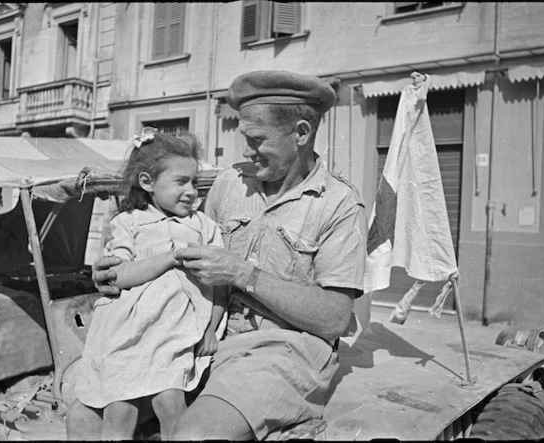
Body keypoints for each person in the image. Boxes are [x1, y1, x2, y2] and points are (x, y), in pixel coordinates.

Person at [92, 70, 367, 440]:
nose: (245, 151)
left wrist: (244, 274)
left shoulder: (339, 204)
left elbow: (334, 319)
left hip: (276, 350)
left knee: (191, 436)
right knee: (87, 419)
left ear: (301, 133)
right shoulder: (229, 183)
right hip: (196, 335)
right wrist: (113, 269)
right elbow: (169, 236)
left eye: (257, 139)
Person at [66, 127, 227, 440]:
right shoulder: (128, 223)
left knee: (171, 404)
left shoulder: (204, 227)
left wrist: (211, 329)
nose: (192, 191)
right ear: (147, 182)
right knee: (119, 411)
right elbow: (119, 276)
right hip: (127, 335)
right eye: (181, 182)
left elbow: (221, 285)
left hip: (174, 334)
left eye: (195, 181)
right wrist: (170, 258)